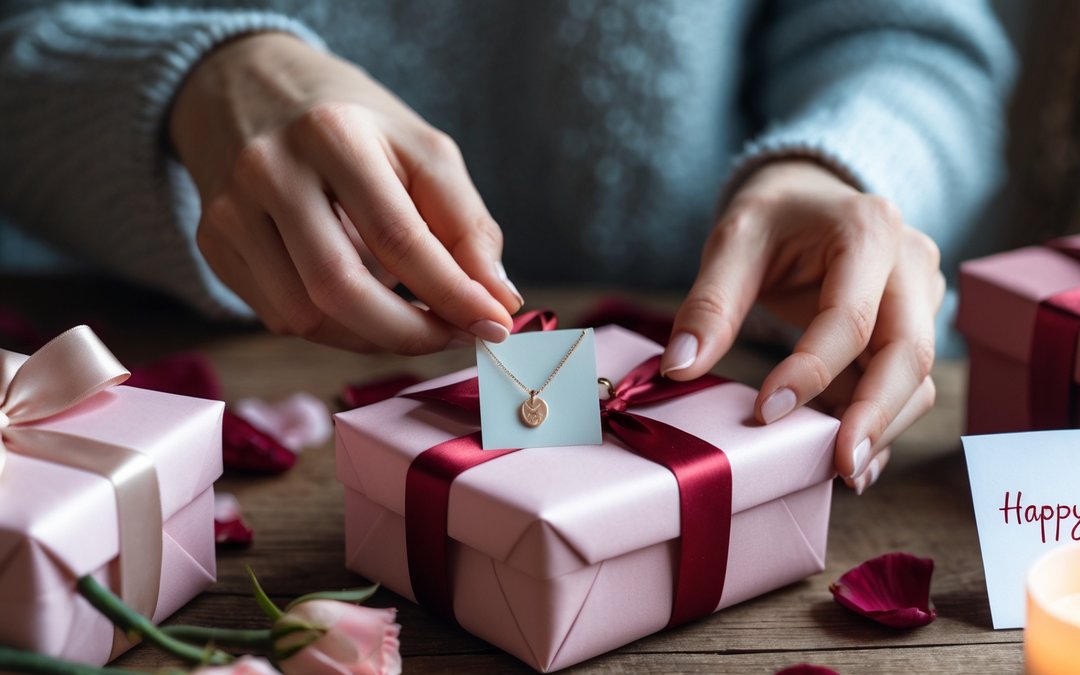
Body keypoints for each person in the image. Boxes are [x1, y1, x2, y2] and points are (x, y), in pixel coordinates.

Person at [0, 1, 1013, 492]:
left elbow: (913, 42)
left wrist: (838, 170)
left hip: (724, 354)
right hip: (117, 364)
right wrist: (192, 81)